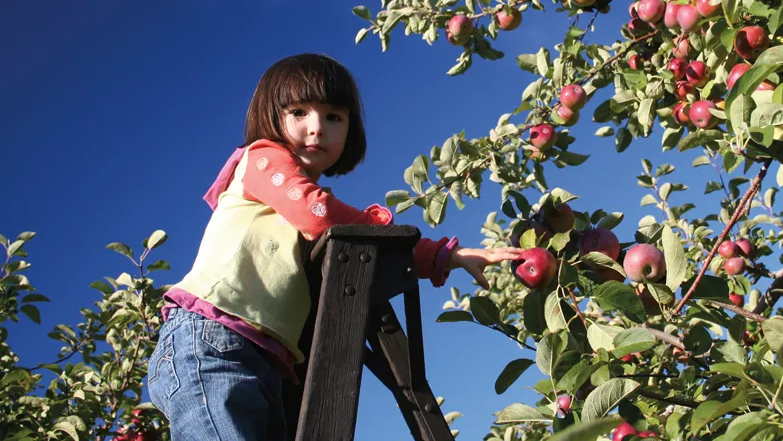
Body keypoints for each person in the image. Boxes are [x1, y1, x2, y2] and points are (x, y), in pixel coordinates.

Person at [146, 53, 523, 440]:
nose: (316, 129)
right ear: (271, 117)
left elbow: (363, 246)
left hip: (263, 358)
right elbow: (316, 213)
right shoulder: (262, 159)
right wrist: (386, 230)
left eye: (333, 117)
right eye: (298, 112)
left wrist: (447, 255)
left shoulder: (306, 199)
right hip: (211, 338)